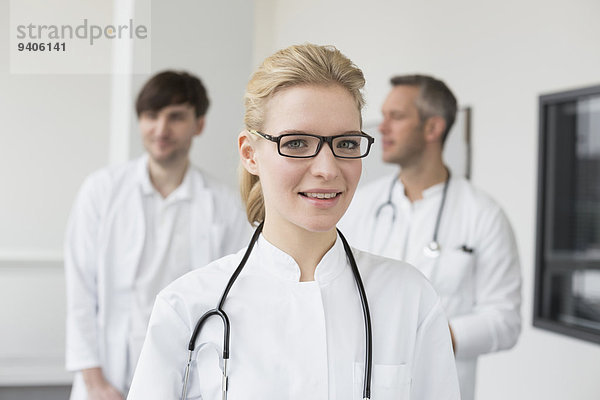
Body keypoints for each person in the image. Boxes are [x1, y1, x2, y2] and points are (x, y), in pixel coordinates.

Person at [127, 44, 460, 400]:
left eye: (346, 144)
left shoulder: (409, 296)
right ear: (250, 154)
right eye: (298, 143)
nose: (327, 169)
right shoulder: (186, 306)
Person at [64, 70, 251, 400]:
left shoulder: (224, 206)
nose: (161, 129)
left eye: (176, 117)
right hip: (106, 379)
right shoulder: (101, 191)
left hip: (188, 380)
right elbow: (80, 293)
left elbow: (233, 301)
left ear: (199, 124)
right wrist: (95, 384)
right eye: (151, 116)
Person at [340, 74, 522, 400]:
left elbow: (505, 321)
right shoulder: (360, 204)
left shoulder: (483, 215)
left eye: (396, 117)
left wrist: (435, 336)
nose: (381, 127)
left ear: (432, 128)